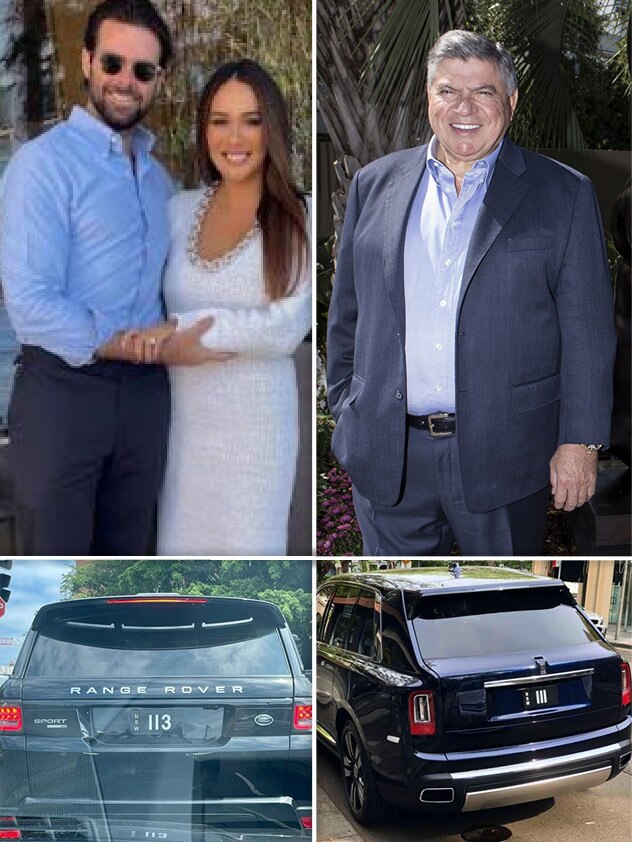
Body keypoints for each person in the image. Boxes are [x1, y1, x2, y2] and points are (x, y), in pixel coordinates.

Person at [326, 30, 616, 557]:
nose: (463, 107)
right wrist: (348, 407)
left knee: (493, 603)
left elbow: (588, 334)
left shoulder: (563, 194)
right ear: (428, 97)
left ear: (510, 100)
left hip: (506, 457)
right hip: (389, 458)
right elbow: (346, 313)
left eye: (482, 91)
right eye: (447, 91)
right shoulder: (374, 185)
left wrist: (579, 442)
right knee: (402, 602)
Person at [0, 0, 173, 554]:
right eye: (114, 63)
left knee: (131, 568)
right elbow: (28, 302)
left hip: (147, 398)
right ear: (87, 61)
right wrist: (122, 343)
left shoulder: (158, 180)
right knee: (58, 570)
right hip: (62, 396)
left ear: (158, 79)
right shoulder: (42, 165)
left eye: (143, 70)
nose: (126, 81)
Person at [126, 60, 311, 554]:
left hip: (256, 433)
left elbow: (286, 326)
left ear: (273, 128)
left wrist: (183, 333)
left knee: (247, 565)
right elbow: (135, 300)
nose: (235, 137)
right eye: (219, 120)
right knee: (179, 562)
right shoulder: (176, 210)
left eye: (251, 120)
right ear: (203, 129)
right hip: (183, 428)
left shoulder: (299, 215)